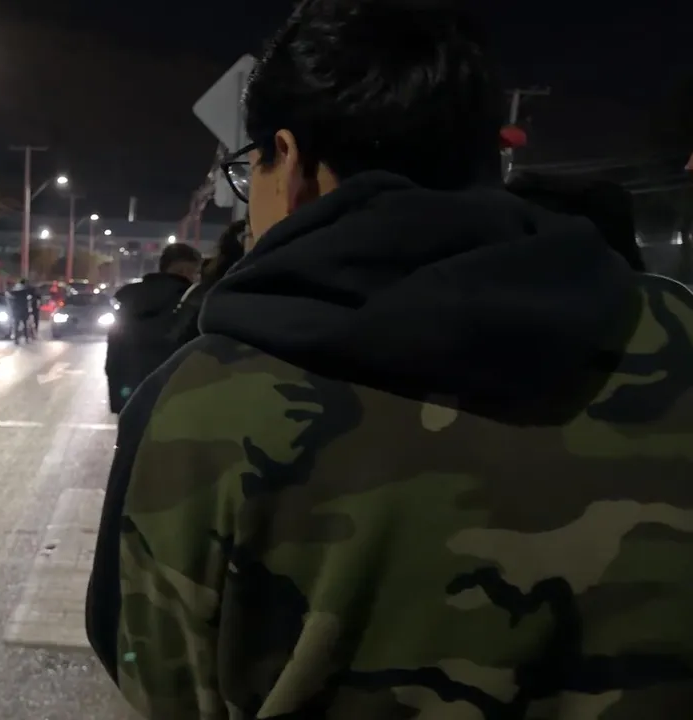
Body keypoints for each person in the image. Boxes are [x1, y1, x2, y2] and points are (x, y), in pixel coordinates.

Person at [85, 1, 693, 717]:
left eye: (254, 172)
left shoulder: (201, 407)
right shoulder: (674, 335)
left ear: (293, 162)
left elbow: (158, 676)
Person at [103, 242, 201, 413]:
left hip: (132, 401)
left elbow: (114, 356)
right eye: (194, 272)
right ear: (187, 271)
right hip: (176, 403)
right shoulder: (193, 302)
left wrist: (120, 403)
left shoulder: (130, 300)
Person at [169, 220, 247, 348]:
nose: (186, 275)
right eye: (180, 271)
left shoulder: (201, 292)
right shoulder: (203, 294)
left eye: (190, 271)